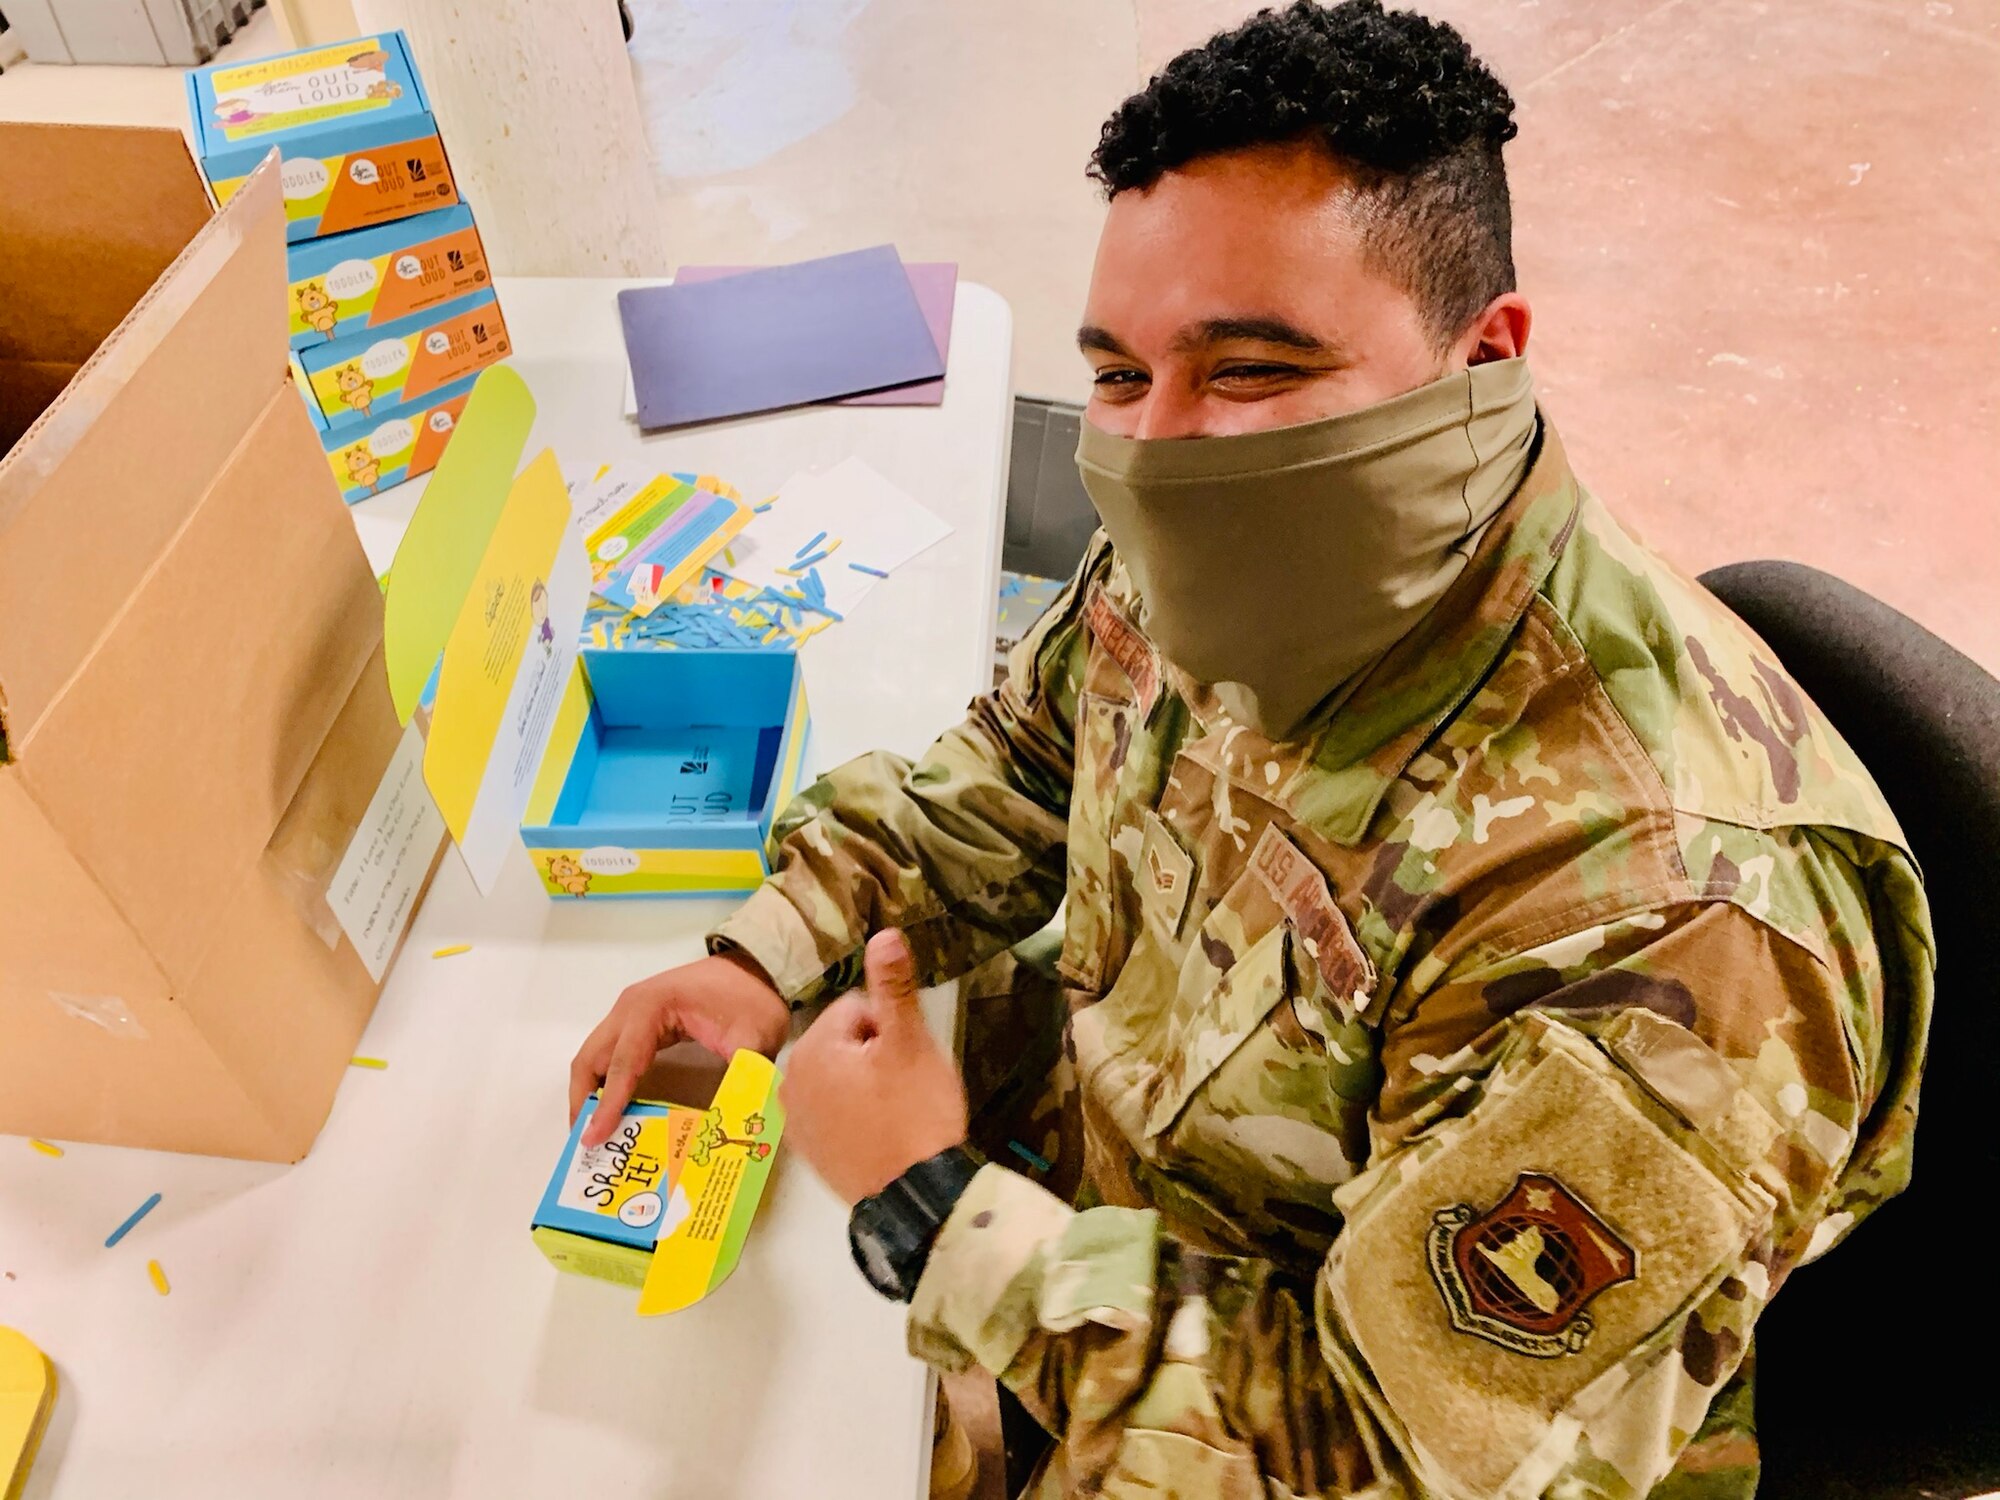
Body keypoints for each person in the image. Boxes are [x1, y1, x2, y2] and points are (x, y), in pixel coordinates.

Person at [569, 4, 1933, 1495]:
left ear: (1485, 355)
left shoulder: (1672, 920)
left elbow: (1378, 1460)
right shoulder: (1251, 541)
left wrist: (931, 1205)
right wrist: (774, 949)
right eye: (1116, 373)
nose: (1158, 447)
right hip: (1125, 1215)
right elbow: (1032, 759)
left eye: (1252, 372)